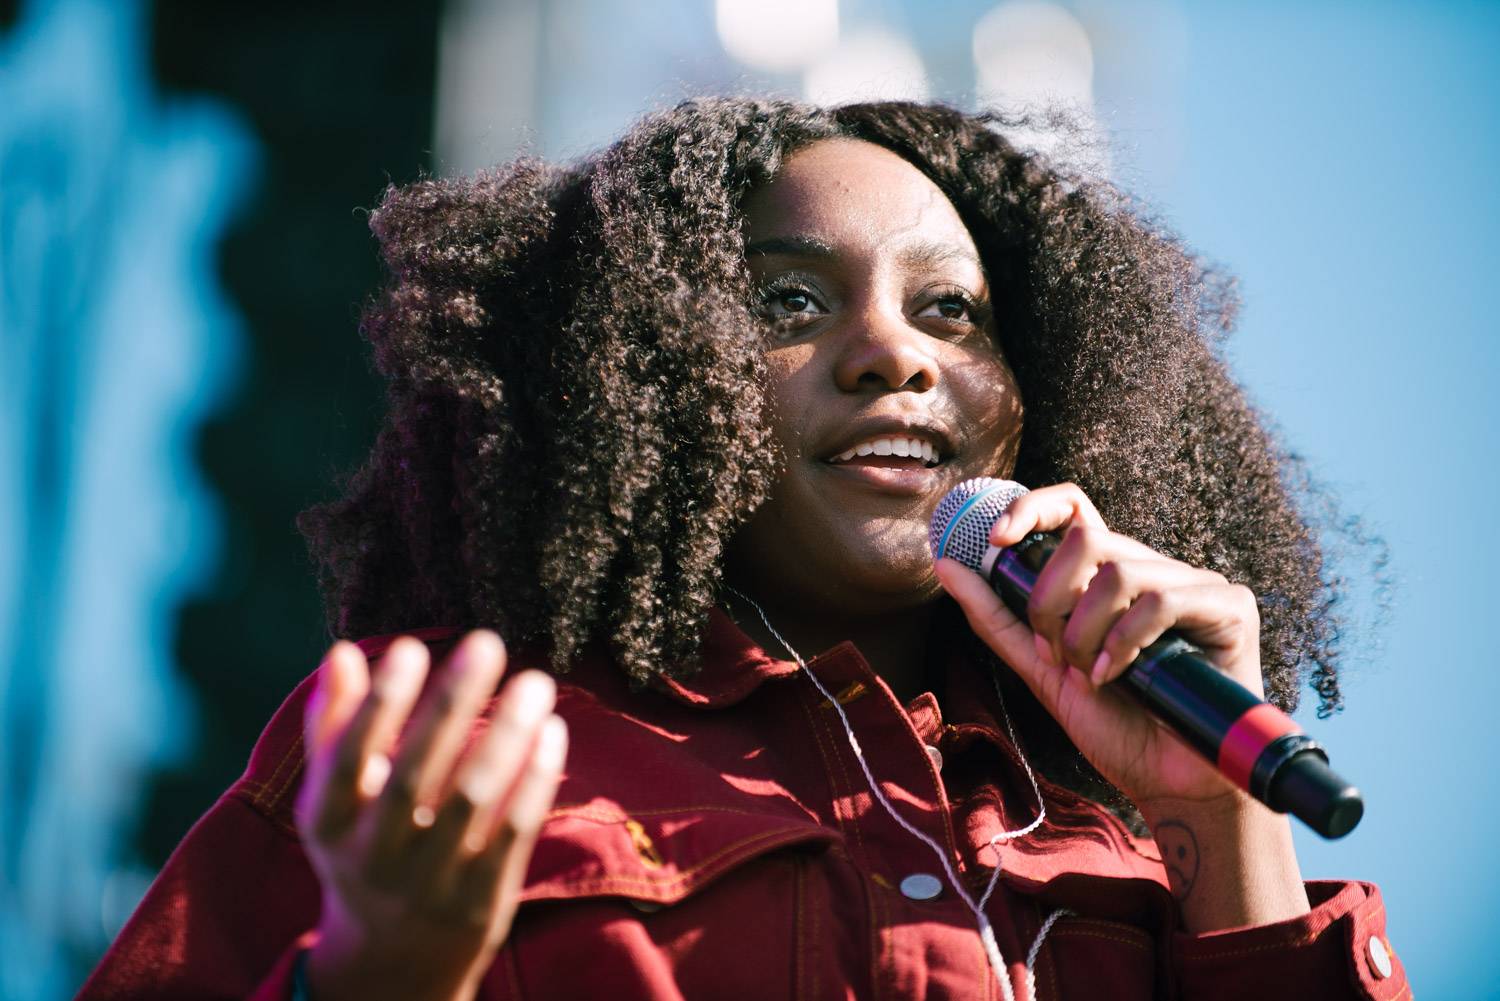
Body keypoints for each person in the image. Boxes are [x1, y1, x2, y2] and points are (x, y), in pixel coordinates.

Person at [79, 98, 1405, 1000]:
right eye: (787, 300)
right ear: (645, 377)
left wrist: (1220, 823)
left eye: (954, 309)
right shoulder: (436, 746)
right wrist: (375, 972)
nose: (897, 352)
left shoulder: (1136, 820)